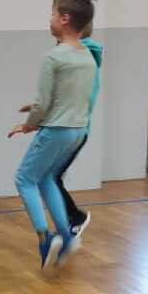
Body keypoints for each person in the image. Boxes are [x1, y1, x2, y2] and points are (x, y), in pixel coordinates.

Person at [9, 0, 97, 270]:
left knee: (24, 178)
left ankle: (45, 238)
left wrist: (29, 123)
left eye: (52, 13)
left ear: (64, 18)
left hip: (56, 130)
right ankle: (68, 237)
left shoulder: (54, 57)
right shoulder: (88, 57)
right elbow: (73, 97)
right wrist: (37, 111)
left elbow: (43, 103)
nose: (50, 18)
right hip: (77, 131)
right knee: (46, 177)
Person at [53, 22, 102, 239]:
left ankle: (75, 217)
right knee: (51, 177)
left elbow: (81, 99)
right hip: (68, 129)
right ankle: (68, 222)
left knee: (49, 177)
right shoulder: (75, 56)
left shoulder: (83, 59)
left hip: (73, 130)